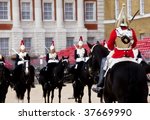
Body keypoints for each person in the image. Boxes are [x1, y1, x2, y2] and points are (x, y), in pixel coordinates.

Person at [92, 3, 138, 93]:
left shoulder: (115, 31)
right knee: (139, 64)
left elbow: (109, 46)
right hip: (130, 55)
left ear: (119, 21)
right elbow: (134, 44)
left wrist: (117, 46)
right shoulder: (131, 31)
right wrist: (129, 45)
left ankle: (100, 84)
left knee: (105, 63)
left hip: (117, 54)